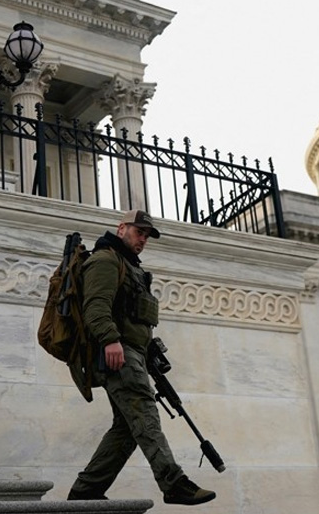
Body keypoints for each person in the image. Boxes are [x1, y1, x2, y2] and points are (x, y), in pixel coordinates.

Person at [67, 209, 216, 506]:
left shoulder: (127, 265)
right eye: (139, 232)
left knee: (126, 429)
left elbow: (132, 318)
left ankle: (86, 491)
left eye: (147, 236)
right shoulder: (106, 260)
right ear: (122, 228)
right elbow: (95, 308)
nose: (143, 239)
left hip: (133, 354)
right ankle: (173, 484)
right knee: (145, 416)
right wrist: (110, 340)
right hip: (117, 354)